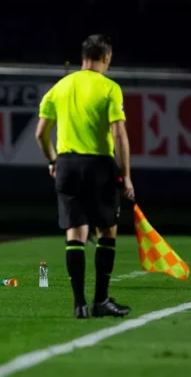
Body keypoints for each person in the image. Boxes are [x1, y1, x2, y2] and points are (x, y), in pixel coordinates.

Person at [35, 34, 135, 319]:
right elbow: (119, 134)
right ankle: (100, 300)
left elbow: (40, 133)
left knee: (75, 234)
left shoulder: (60, 87)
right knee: (107, 231)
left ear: (83, 58)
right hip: (99, 166)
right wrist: (126, 175)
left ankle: (79, 303)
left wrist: (53, 161)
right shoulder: (110, 88)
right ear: (107, 58)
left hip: (66, 164)